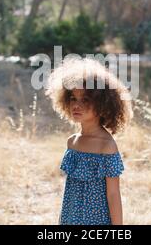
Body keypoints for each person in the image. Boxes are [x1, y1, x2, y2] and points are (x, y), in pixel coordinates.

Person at [45, 57, 133, 225]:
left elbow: (113, 194)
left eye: (85, 99)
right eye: (73, 98)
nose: (77, 105)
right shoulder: (72, 143)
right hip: (71, 219)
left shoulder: (106, 145)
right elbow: (70, 193)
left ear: (102, 103)